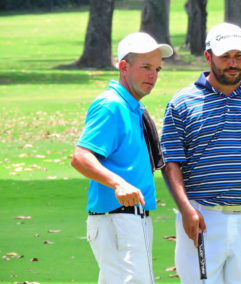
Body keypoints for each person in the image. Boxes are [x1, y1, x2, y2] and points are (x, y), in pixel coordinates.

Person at [161, 23, 241, 284]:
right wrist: (185, 209)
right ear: (208, 57)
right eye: (225, 57)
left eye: (239, 56)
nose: (233, 63)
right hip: (202, 220)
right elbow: (170, 161)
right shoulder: (182, 102)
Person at [70, 32, 173, 284]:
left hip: (126, 218)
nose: (153, 76)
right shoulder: (111, 105)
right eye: (146, 67)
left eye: (157, 69)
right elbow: (81, 157)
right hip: (119, 219)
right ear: (124, 67)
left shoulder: (131, 106)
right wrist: (119, 183)